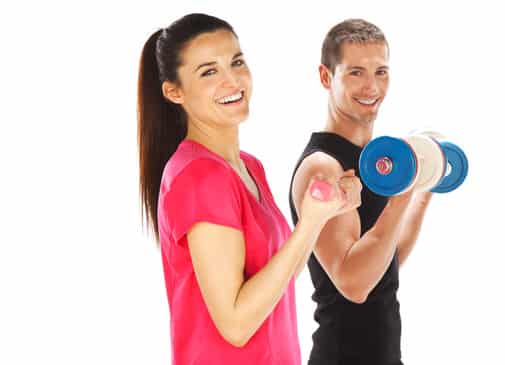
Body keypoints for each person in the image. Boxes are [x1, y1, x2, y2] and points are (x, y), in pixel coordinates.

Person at [137, 13, 358, 365]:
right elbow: (236, 324)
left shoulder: (247, 166)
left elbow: (277, 280)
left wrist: (322, 216)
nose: (233, 80)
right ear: (173, 91)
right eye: (209, 72)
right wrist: (306, 225)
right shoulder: (200, 177)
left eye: (236, 62)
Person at [289, 19, 433, 365]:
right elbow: (353, 284)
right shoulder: (323, 167)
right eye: (356, 72)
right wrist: (402, 193)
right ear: (327, 77)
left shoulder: (375, 161)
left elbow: (387, 258)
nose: (372, 86)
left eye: (381, 72)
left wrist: (424, 188)